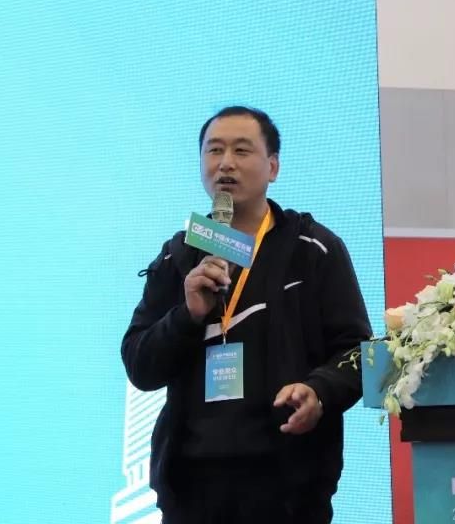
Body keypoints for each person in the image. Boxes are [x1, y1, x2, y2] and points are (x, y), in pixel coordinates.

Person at [121, 106, 372, 523]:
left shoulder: (312, 249)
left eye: (241, 150)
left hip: (288, 489)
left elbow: (357, 351)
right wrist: (187, 316)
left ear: (273, 166)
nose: (225, 163)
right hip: (191, 490)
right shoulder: (177, 256)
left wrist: (319, 392)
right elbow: (140, 366)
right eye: (214, 150)